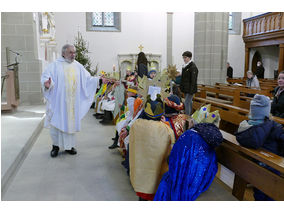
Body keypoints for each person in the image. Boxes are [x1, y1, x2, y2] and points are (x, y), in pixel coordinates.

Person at [41, 44, 100, 157]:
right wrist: (47, 85)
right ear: (63, 53)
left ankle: (69, 147)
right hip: (59, 102)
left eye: (74, 52)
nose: (73, 55)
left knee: (70, 124)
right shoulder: (54, 66)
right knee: (57, 123)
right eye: (70, 52)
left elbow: (87, 79)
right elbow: (45, 77)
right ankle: (55, 146)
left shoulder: (78, 66)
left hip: (72, 103)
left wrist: (98, 80)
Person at [154, 122, 223, 201]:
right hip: (202, 179)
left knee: (165, 184)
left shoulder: (188, 135)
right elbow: (213, 168)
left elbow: (174, 157)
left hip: (187, 178)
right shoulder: (209, 144)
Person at [235, 94, 284, 201]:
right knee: (272, 193)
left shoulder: (246, 127)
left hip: (254, 166)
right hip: (272, 167)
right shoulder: (274, 127)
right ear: (267, 112)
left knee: (259, 191)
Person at [129, 94, 175, 201]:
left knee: (142, 195)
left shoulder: (136, 124)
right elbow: (170, 150)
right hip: (156, 174)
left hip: (140, 172)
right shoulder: (166, 129)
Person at [180, 51, 198, 115]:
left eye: (185, 57)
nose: (184, 59)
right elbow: (184, 78)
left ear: (190, 57)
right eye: (183, 57)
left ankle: (187, 117)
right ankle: (189, 116)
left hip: (190, 89)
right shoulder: (185, 66)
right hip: (186, 88)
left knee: (186, 103)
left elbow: (194, 80)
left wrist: (191, 91)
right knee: (189, 102)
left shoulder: (193, 67)